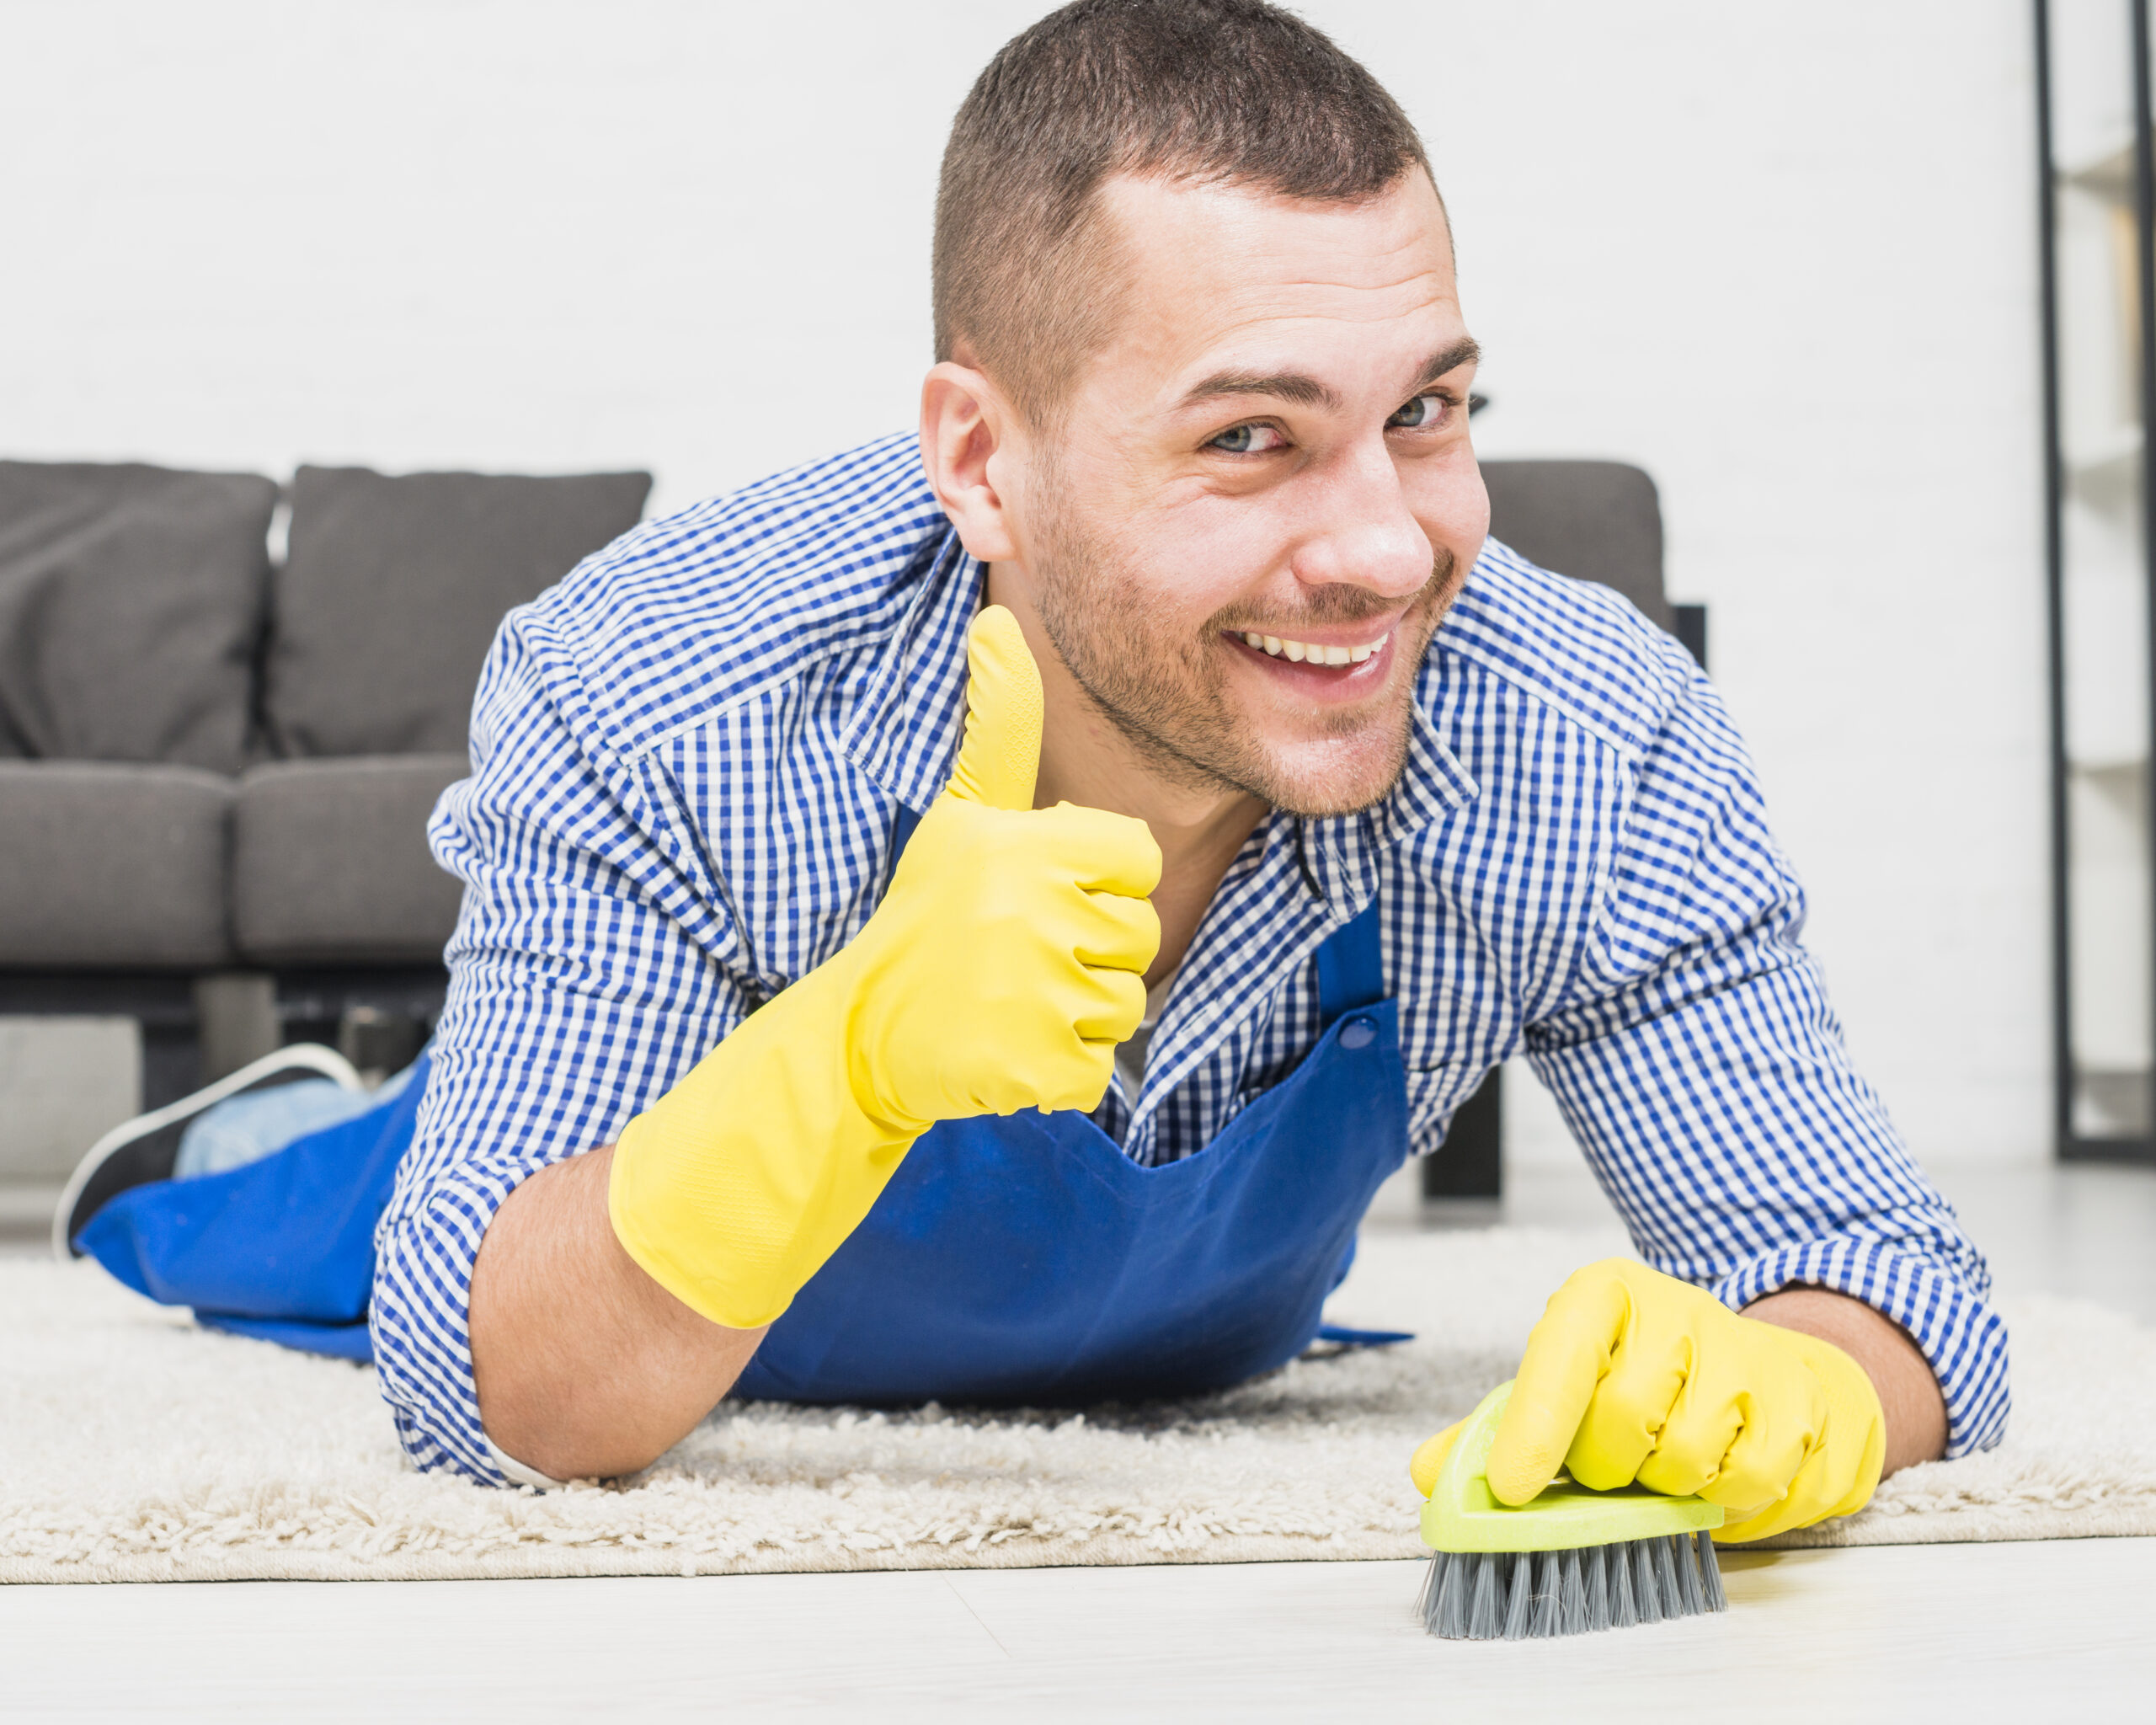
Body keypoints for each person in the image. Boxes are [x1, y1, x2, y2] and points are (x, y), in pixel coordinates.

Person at [67, 0, 2004, 1540]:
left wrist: (1803, 1387)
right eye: (1248, 438)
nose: (1385, 547)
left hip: (1199, 1337)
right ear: (982, 463)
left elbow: (1869, 1272)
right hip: (604, 1201)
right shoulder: (669, 686)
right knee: (288, 1214)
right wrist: (842, 1064)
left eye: (1423, 410)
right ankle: (257, 1133)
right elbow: (489, 1391)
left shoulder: (1577, 731)